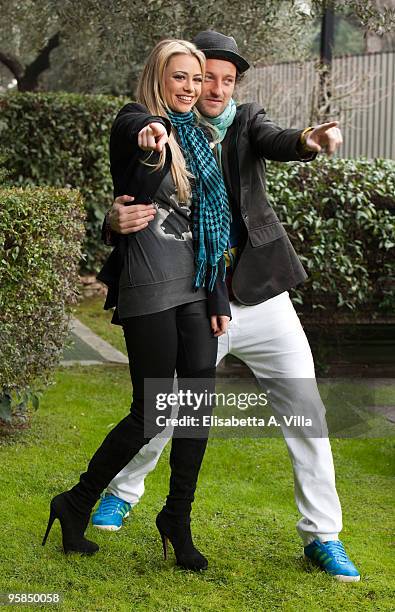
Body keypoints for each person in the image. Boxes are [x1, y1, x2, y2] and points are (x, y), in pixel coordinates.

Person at [95, 31, 361, 583]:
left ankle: (324, 536)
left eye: (224, 80)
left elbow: (278, 138)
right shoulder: (159, 131)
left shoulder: (245, 122)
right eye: (202, 77)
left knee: (305, 411)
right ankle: (121, 494)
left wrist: (309, 140)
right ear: (182, 80)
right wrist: (109, 220)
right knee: (171, 407)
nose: (213, 88)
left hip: (261, 296)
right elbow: (135, 200)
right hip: (194, 296)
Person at [42, 38, 232, 572]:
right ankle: (77, 502)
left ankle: (177, 519)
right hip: (149, 286)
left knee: (198, 407)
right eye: (180, 77)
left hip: (197, 284)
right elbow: (135, 133)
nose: (191, 88)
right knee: (150, 414)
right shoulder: (138, 123)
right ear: (158, 77)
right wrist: (153, 135)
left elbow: (210, 229)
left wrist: (219, 295)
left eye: (197, 78)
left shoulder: (203, 140)